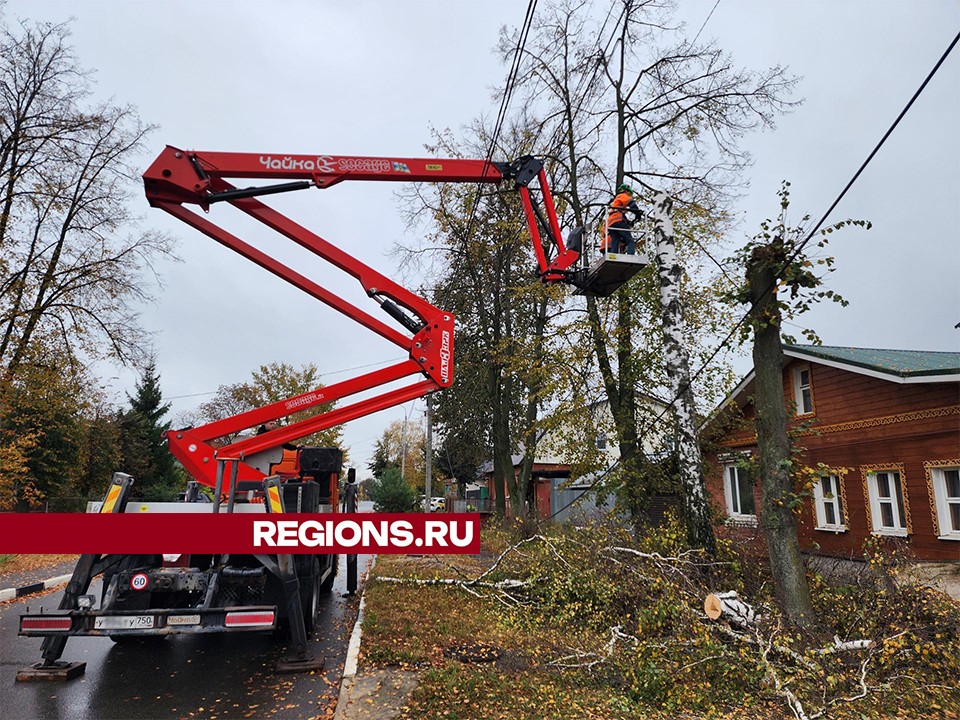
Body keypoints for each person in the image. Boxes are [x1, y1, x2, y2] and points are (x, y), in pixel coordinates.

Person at [603, 183, 642, 255]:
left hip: (611, 224)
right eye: (629, 193)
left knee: (615, 241)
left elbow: (622, 216)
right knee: (630, 241)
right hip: (617, 221)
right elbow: (631, 203)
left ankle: (613, 255)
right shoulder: (622, 195)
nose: (629, 195)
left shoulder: (616, 203)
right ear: (626, 191)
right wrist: (638, 213)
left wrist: (630, 222)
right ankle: (631, 256)